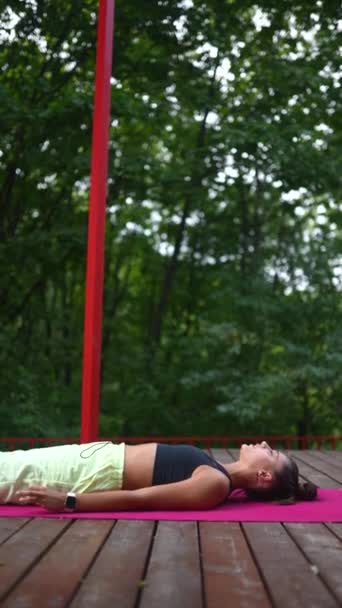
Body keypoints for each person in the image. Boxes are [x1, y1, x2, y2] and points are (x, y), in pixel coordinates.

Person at [0, 440, 317, 512]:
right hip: (94, 458)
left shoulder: (216, 483)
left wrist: (69, 502)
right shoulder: (217, 470)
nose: (264, 444)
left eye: (271, 452)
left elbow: (140, 499)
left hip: (90, 474)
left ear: (263, 476)